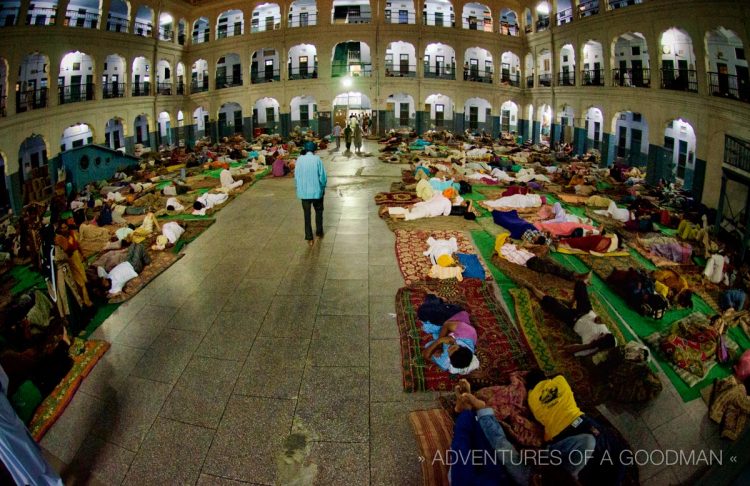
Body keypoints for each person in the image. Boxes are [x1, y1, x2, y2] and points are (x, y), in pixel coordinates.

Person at [527, 281, 616, 356]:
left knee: (550, 303)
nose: (601, 334)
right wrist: (602, 321)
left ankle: (532, 288)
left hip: (573, 319)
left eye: (601, 336)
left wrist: (588, 346)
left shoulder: (589, 349)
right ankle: (571, 302)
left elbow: (567, 349)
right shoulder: (612, 340)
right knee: (580, 284)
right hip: (586, 311)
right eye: (603, 334)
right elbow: (607, 331)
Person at [421, 310, 478, 374]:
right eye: (453, 348)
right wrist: (440, 346)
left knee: (427, 327)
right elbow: (447, 324)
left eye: (449, 352)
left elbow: (424, 354)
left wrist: (439, 341)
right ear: (461, 346)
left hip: (448, 332)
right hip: (454, 315)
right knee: (424, 313)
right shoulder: (468, 333)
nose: (449, 349)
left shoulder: (446, 362)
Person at [294, 148, 327, 246]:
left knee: (306, 215)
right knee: (319, 211)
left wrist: (299, 186)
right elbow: (322, 176)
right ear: (314, 151)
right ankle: (319, 233)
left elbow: (296, 176)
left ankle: (309, 238)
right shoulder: (317, 159)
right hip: (317, 192)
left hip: (304, 193)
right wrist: (323, 186)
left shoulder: (299, 159)